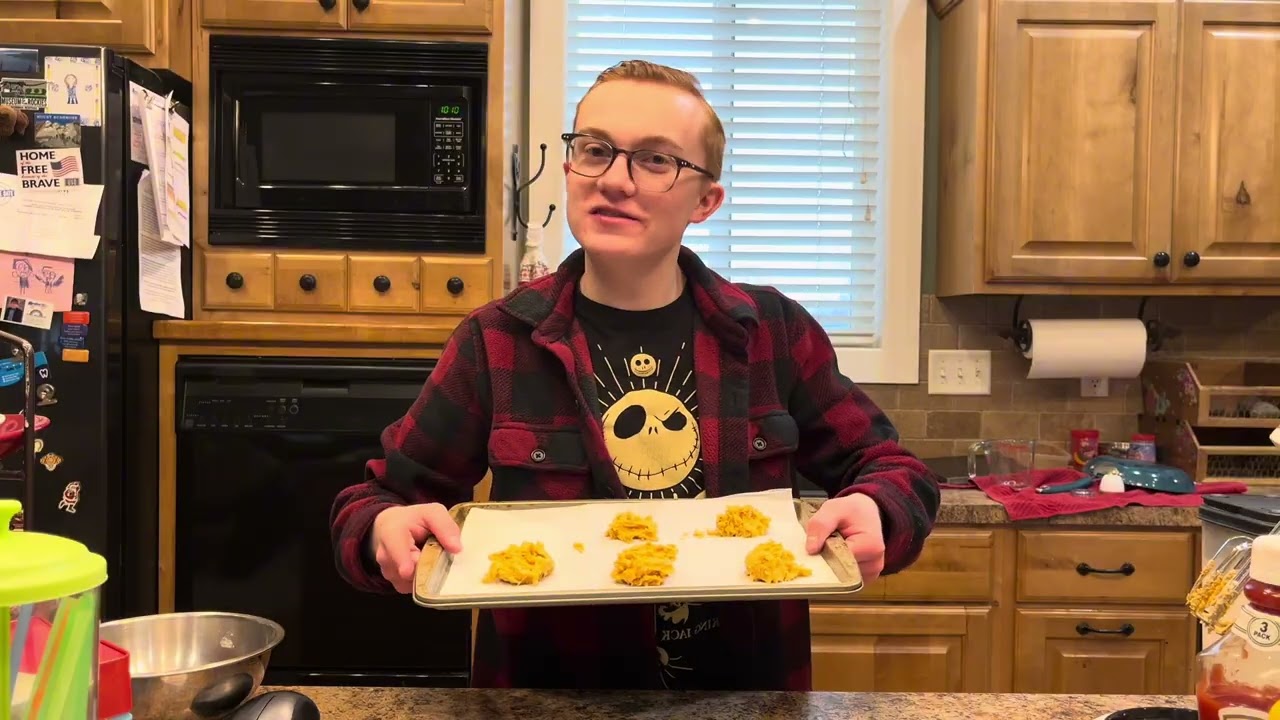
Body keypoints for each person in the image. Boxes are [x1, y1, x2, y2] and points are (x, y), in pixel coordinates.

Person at [331, 59, 942, 691]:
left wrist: (878, 509)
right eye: (595, 149)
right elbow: (377, 500)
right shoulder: (497, 341)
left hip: (743, 697)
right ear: (570, 167)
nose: (615, 181)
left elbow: (895, 470)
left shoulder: (772, 331)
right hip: (551, 699)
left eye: (656, 161)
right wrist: (382, 527)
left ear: (706, 201)